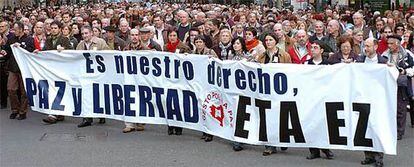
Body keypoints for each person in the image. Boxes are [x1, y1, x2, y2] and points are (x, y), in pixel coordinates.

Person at [256, 33, 291, 155]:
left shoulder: (285, 55)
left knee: (281, 117)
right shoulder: (261, 56)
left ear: (275, 41)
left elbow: (290, 72)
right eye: (266, 40)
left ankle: (282, 140)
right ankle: (270, 144)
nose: (268, 42)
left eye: (271, 40)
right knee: (268, 118)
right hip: (266, 91)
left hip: (280, 91)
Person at [357, 38, 388, 167]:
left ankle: (379, 157)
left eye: (368, 46)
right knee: (364, 127)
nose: (366, 49)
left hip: (378, 100)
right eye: (365, 46)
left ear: (375, 46)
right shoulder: (360, 61)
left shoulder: (384, 62)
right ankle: (368, 155)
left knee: (378, 128)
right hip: (363, 99)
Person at [304, 40, 334, 160]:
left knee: (323, 124)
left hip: (323, 98)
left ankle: (325, 148)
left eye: (316, 48)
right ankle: (314, 150)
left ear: (321, 50)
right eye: (312, 48)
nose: (313, 50)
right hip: (310, 98)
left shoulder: (328, 64)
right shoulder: (307, 64)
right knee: (311, 124)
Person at [381, 35, 414, 140]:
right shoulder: (384, 55)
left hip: (402, 85)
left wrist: (404, 71)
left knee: (401, 108)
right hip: (388, 84)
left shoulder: (407, 54)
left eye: (391, 43)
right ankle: (390, 130)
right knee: (389, 108)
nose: (389, 46)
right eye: (388, 43)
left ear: (398, 44)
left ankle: (399, 131)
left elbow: (413, 67)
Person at [76, 25, 110, 128]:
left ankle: (101, 114)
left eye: (86, 33)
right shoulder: (80, 45)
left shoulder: (100, 42)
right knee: (86, 95)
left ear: (91, 33)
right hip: (86, 74)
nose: (84, 35)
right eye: (82, 34)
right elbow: (75, 57)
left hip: (99, 74)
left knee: (99, 94)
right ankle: (87, 118)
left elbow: (109, 55)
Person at [41, 21, 73, 124]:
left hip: (62, 69)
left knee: (60, 90)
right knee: (53, 90)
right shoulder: (49, 39)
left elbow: (72, 51)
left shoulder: (64, 39)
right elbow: (45, 51)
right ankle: (56, 113)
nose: (53, 30)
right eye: (52, 28)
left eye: (55, 28)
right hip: (51, 69)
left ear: (60, 29)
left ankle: (55, 114)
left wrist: (64, 49)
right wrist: (38, 52)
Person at [6, 21, 35, 120]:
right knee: (11, 89)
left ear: (21, 30)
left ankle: (23, 111)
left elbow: (31, 51)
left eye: (16, 29)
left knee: (24, 91)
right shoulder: (11, 38)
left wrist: (22, 46)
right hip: (13, 67)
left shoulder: (29, 39)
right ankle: (15, 109)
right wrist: (4, 51)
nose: (14, 31)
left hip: (24, 68)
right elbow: (7, 50)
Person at [122, 28, 149, 133]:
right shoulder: (125, 49)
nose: (134, 37)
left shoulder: (145, 49)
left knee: (141, 99)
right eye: (132, 35)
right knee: (128, 99)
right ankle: (129, 124)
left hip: (141, 78)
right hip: (129, 78)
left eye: (136, 35)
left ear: (139, 36)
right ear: (129, 36)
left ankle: (141, 122)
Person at [164, 28, 190, 135]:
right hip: (168, 78)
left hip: (180, 78)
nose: (172, 38)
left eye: (174, 35)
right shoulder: (165, 47)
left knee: (179, 102)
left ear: (177, 36)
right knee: (169, 102)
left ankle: (179, 126)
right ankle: (170, 125)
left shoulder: (184, 47)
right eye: (170, 36)